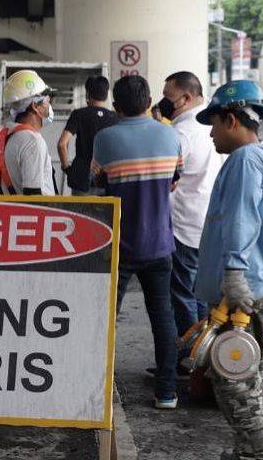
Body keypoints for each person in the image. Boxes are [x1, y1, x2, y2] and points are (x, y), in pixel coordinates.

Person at [194, 79, 263, 460]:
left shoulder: (245, 161)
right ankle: (250, 449)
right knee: (254, 371)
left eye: (214, 124)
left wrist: (233, 274)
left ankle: (256, 454)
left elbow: (242, 220)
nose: (211, 134)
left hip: (244, 288)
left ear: (231, 119)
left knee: (232, 377)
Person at [92, 75, 182, 410]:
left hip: (119, 246)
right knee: (162, 318)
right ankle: (167, 393)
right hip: (160, 243)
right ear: (149, 103)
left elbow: (100, 182)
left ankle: (97, 391)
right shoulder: (170, 136)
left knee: (105, 319)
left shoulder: (105, 139)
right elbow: (173, 183)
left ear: (116, 108)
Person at [157, 71, 223, 360]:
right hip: (210, 224)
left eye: (169, 96)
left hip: (182, 224)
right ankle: (205, 356)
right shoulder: (215, 127)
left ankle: (189, 359)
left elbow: (165, 180)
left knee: (183, 295)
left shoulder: (179, 134)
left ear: (185, 98)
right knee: (204, 295)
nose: (164, 102)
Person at [0, 70, 57, 195]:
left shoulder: (2, 137)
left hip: (12, 211)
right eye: (47, 101)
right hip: (39, 213)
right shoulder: (32, 141)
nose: (49, 106)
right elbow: (33, 195)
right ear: (35, 106)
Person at [57, 76, 118, 195]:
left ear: (87, 94)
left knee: (79, 213)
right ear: (106, 95)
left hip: (81, 177)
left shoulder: (79, 114)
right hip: (106, 178)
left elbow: (62, 144)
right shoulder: (114, 117)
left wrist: (67, 168)